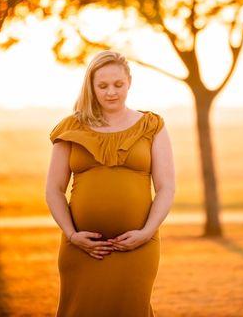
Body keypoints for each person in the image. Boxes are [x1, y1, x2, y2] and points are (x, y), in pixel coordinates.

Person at [45, 50, 175, 317]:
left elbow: (166, 188)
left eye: (118, 85)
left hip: (138, 246)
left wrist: (146, 232)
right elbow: (53, 190)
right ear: (91, 86)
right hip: (81, 248)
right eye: (102, 86)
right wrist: (72, 236)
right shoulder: (71, 127)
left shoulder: (152, 126)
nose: (111, 92)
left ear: (129, 82)